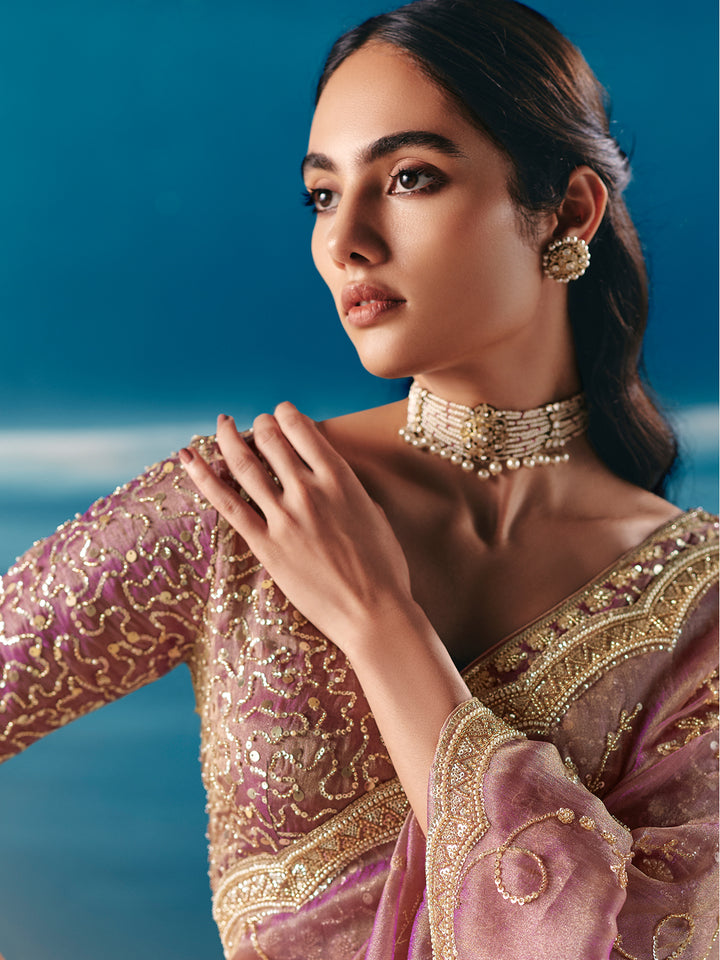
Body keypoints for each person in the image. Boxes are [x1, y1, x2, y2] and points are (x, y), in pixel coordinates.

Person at [1, 1, 717, 958]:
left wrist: (380, 624)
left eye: (410, 179)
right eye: (323, 194)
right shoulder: (252, 502)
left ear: (568, 208)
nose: (347, 242)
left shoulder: (697, 606)